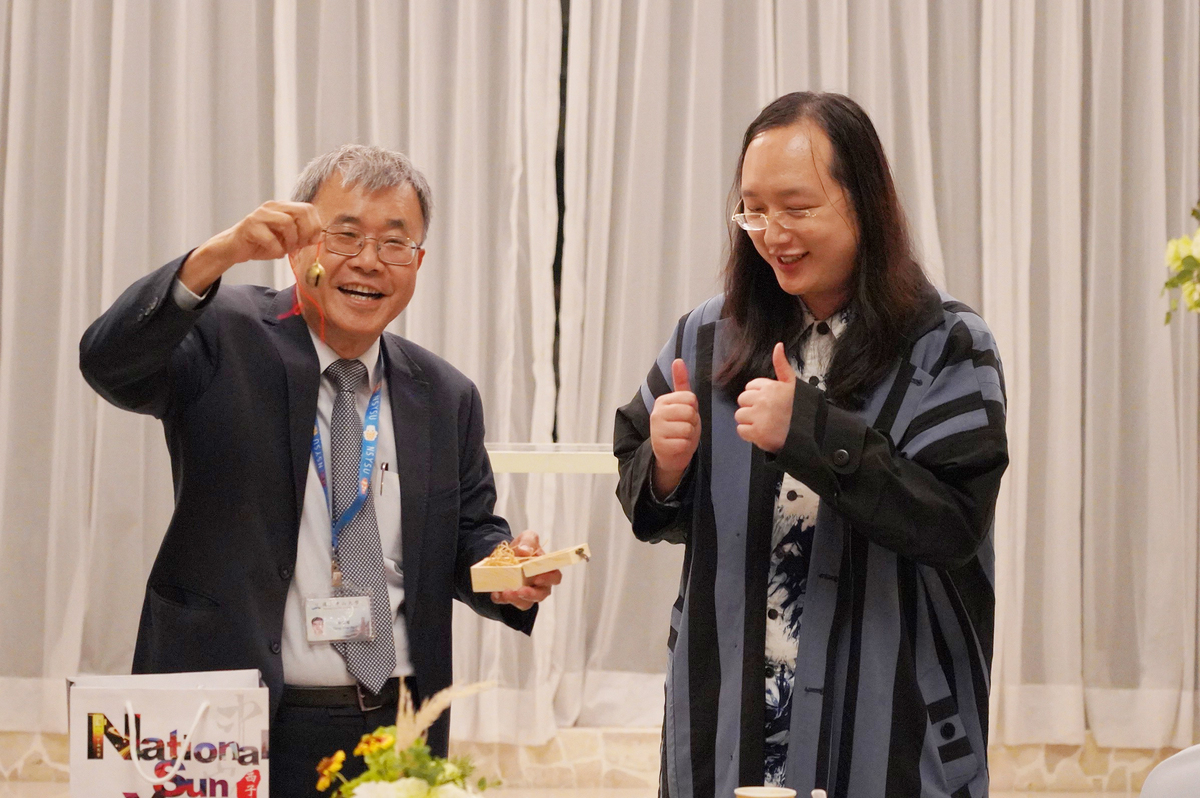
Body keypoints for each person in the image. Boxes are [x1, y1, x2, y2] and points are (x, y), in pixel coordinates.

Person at [80, 144, 561, 798]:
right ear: (297, 244)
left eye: (396, 243)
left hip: (391, 726)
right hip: (228, 720)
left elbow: (468, 534)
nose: (368, 261)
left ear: (418, 262)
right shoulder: (223, 333)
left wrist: (507, 571)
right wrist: (214, 257)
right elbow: (108, 362)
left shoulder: (444, 394)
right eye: (345, 234)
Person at [614, 93, 1008, 798]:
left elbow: (952, 523)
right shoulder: (709, 337)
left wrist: (812, 431)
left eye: (796, 209)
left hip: (890, 732)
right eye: (754, 210)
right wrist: (663, 468)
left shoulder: (949, 345)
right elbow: (640, 481)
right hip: (726, 725)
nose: (771, 233)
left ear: (865, 204)